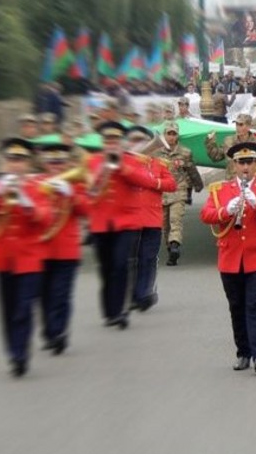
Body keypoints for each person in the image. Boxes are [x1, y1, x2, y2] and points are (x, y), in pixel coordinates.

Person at [199, 143, 256, 374]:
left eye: (249, 162)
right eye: (241, 163)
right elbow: (206, 215)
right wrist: (225, 211)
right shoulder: (220, 190)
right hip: (230, 257)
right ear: (234, 165)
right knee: (236, 307)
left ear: (255, 164)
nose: (246, 167)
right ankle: (243, 352)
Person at [0, 138, 51, 377]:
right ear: (5, 162)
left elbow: (45, 218)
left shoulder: (37, 187)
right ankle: (12, 351)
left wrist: (23, 198)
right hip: (3, 258)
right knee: (8, 309)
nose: (15, 164)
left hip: (29, 259)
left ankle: (20, 354)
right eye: (11, 159)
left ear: (27, 163)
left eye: (19, 160)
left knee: (23, 308)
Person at [87, 122, 165, 329]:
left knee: (121, 265)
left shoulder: (131, 160)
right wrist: (104, 169)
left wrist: (121, 165)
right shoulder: (93, 161)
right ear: (103, 143)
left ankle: (120, 311)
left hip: (126, 223)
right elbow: (90, 190)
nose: (111, 144)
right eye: (108, 141)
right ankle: (109, 311)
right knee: (106, 268)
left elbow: (142, 180)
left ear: (120, 142)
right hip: (101, 224)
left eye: (115, 140)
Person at [33, 144, 89, 354]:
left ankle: (59, 333)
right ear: (45, 163)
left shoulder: (75, 184)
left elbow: (86, 209)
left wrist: (71, 195)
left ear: (66, 164)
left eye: (60, 162)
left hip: (66, 249)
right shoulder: (37, 183)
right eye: (51, 162)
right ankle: (49, 331)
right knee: (44, 294)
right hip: (41, 248)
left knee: (61, 294)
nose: (56, 166)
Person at [125, 126, 176, 311]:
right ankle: (131, 296)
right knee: (131, 259)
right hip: (131, 219)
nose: (140, 144)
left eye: (143, 140)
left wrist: (154, 183)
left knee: (148, 258)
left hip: (152, 218)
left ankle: (144, 293)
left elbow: (171, 184)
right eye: (135, 139)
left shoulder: (160, 164)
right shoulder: (127, 161)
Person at [157, 120, 203, 266]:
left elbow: (191, 170)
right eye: (168, 134)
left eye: (174, 134)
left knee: (175, 220)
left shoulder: (185, 152)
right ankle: (170, 249)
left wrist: (198, 184)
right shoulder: (157, 152)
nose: (171, 137)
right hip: (162, 192)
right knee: (165, 225)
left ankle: (175, 245)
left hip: (179, 190)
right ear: (164, 135)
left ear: (177, 136)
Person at [205, 114, 256, 179]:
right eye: (236, 124)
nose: (238, 127)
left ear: (249, 126)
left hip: (251, 182)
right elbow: (216, 157)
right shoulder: (228, 141)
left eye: (241, 125)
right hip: (232, 182)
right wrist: (210, 143)